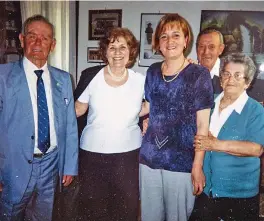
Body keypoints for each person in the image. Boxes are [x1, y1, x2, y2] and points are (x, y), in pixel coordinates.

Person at [0, 14, 78, 221]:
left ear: (52, 45)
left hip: (51, 166)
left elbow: (70, 125)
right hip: (12, 168)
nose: (38, 42)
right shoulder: (3, 77)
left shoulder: (63, 79)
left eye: (45, 38)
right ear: (21, 39)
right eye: (32, 36)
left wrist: (69, 166)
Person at [139, 13, 214, 221]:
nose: (169, 41)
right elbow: (147, 107)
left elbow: (202, 125)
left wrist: (197, 166)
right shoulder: (153, 71)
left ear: (186, 40)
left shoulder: (199, 74)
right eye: (164, 36)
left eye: (176, 35)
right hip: (149, 159)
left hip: (181, 162)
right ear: (158, 44)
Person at [75, 27, 145, 221]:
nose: (117, 52)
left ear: (131, 51)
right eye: (112, 47)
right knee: (94, 210)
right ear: (105, 51)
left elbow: (151, 106)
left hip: (128, 156)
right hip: (92, 155)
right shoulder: (91, 76)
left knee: (126, 209)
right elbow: (77, 110)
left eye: (123, 47)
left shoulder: (140, 81)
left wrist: (139, 118)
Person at [189, 53, 264, 221]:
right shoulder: (209, 103)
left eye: (238, 75)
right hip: (207, 189)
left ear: (248, 82)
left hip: (239, 195)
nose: (231, 79)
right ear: (221, 79)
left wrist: (215, 144)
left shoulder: (255, 111)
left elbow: (256, 149)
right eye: (227, 74)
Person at [196, 28, 225, 94]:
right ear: (196, 48)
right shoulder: (188, 72)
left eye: (211, 47)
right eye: (202, 46)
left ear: (221, 49)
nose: (206, 52)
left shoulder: (232, 75)